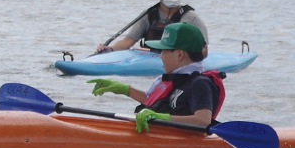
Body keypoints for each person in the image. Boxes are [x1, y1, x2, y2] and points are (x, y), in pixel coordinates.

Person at [88, 22, 224, 132]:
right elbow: (152, 100)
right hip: (162, 134)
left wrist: (161, 117)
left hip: (182, 140)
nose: (161, 55)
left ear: (180, 55)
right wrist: (124, 89)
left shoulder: (200, 83)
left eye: (163, 51)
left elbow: (203, 120)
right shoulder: (177, 79)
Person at [95, 0, 209, 54]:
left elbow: (204, 50)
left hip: (177, 61)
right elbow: (128, 40)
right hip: (148, 58)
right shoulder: (148, 15)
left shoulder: (190, 17)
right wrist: (110, 49)